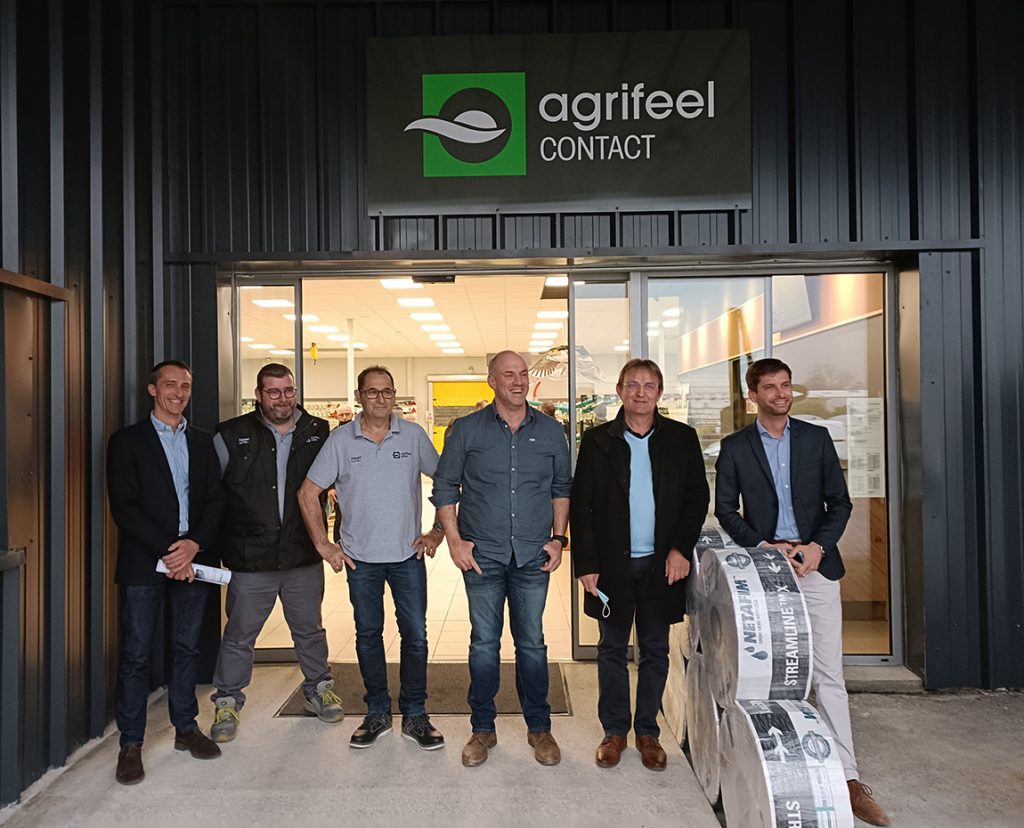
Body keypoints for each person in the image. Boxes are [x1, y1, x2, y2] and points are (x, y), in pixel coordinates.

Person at [714, 357, 890, 827]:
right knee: (768, 676)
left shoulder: (816, 439)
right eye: (770, 388)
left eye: (786, 385)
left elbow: (841, 502)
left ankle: (849, 780)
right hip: (767, 571)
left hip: (816, 566)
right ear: (753, 396)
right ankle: (776, 773)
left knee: (829, 674)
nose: (781, 394)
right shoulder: (735, 447)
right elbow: (726, 510)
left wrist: (817, 547)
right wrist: (762, 546)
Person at [432, 351, 572, 768]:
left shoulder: (551, 431)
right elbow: (445, 487)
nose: (518, 381)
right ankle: (482, 729)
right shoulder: (466, 430)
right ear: (491, 380)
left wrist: (559, 539)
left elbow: (561, 487)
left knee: (532, 644)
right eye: (508, 374)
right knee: (484, 644)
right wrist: (454, 541)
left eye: (523, 374)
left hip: (532, 554)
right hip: (483, 556)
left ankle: (540, 728)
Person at [298, 366, 446, 751]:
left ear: (395, 395)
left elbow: (446, 483)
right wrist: (323, 544)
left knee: (415, 636)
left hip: (407, 556)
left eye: (387, 391)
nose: (381, 398)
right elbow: (307, 492)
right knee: (368, 635)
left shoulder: (413, 436)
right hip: (360, 560)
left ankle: (415, 713)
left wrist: (437, 532)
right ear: (359, 396)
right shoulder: (340, 441)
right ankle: (377, 711)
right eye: (372, 392)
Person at [571, 359, 709, 771]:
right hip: (611, 566)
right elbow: (582, 506)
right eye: (632, 385)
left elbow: (696, 499)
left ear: (660, 393)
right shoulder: (597, 441)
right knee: (612, 649)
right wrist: (586, 563)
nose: (641, 392)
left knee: (654, 649)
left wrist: (680, 549)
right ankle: (614, 732)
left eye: (649, 385)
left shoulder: (681, 439)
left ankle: (648, 732)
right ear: (619, 391)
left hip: (661, 565)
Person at [207, 363, 342, 744]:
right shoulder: (230, 434)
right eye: (274, 392)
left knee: (309, 629)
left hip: (301, 553)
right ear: (259, 395)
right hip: (251, 557)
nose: (283, 399)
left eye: (288, 391)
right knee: (239, 634)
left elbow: (335, 486)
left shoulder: (318, 431)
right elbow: (212, 495)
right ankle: (227, 701)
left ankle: (318, 689)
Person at [106, 360, 225, 785]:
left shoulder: (202, 441)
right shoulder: (126, 442)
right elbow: (124, 506)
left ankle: (186, 729)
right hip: (145, 561)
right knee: (136, 654)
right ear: (153, 390)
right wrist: (169, 551)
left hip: (193, 559)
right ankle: (131, 744)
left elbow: (215, 500)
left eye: (185, 386)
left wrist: (192, 546)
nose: (179, 392)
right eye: (170, 385)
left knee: (186, 649)